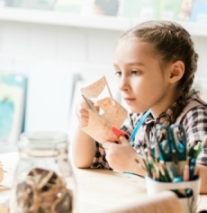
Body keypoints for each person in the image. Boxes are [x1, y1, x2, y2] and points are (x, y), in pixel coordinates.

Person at [72, 20, 207, 193]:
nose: (122, 85)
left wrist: (137, 163)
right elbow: (84, 160)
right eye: (119, 73)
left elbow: (204, 177)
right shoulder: (139, 119)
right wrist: (86, 124)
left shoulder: (195, 117)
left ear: (174, 72)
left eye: (135, 72)